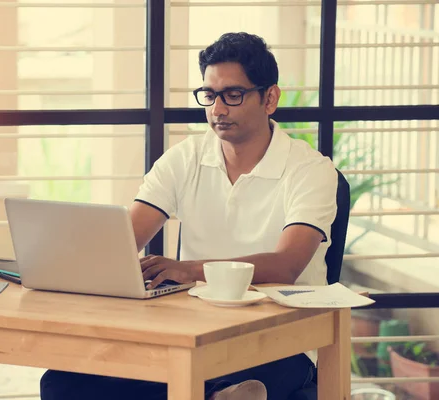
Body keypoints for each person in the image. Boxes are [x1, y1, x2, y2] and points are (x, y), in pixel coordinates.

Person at [40, 32, 338, 400]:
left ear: (270, 98)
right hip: (193, 333)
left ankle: (215, 393)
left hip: (281, 335)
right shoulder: (186, 157)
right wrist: (61, 260)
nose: (217, 109)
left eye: (233, 95)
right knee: (63, 381)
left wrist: (189, 270)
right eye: (209, 96)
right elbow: (125, 240)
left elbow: (286, 266)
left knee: (237, 378)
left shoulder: (310, 170)